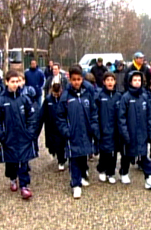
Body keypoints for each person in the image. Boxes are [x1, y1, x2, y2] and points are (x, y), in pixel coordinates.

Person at [0, 70, 38, 199]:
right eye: (12, 82)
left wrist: (30, 132)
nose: (15, 84)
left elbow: (32, 116)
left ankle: (24, 186)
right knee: (11, 162)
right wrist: (1, 135)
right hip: (9, 138)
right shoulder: (1, 100)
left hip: (23, 137)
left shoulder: (24, 99)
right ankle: (12, 178)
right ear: (7, 82)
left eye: (17, 81)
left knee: (23, 162)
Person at [56, 67, 99, 199]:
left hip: (85, 132)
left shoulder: (87, 94)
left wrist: (93, 126)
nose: (76, 82)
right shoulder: (66, 96)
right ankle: (75, 184)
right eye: (74, 80)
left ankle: (81, 176)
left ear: (82, 79)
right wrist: (65, 130)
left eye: (79, 79)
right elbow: (60, 116)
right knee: (74, 159)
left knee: (82, 157)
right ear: (70, 79)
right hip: (72, 134)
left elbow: (93, 112)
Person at [118, 70, 151, 189]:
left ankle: (149, 177)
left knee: (143, 156)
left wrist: (150, 131)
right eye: (135, 80)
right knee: (127, 155)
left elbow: (150, 116)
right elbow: (121, 118)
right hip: (129, 133)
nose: (137, 82)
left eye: (139, 80)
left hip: (142, 133)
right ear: (130, 82)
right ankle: (124, 172)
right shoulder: (125, 98)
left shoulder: (145, 96)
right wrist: (124, 133)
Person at [95, 72, 122, 184]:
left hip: (115, 129)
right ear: (104, 82)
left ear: (115, 82)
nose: (110, 82)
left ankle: (111, 172)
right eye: (108, 80)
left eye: (112, 80)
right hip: (104, 128)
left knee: (113, 153)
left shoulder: (119, 96)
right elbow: (95, 113)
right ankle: (102, 169)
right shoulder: (100, 96)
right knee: (104, 152)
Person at [38, 78, 67, 171]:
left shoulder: (64, 99)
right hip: (51, 126)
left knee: (62, 144)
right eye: (55, 93)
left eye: (58, 93)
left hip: (62, 126)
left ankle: (62, 160)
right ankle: (59, 157)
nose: (56, 95)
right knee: (54, 144)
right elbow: (42, 113)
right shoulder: (48, 99)